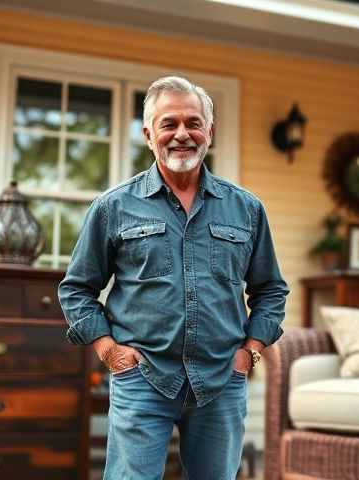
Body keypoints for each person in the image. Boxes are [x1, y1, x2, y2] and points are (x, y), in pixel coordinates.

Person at [58, 76, 289, 479]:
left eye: (193, 123)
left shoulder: (246, 210)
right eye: (169, 124)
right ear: (149, 135)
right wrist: (110, 351)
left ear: (209, 133)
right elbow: (77, 288)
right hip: (142, 378)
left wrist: (249, 353)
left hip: (221, 380)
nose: (182, 134)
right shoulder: (113, 207)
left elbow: (270, 289)